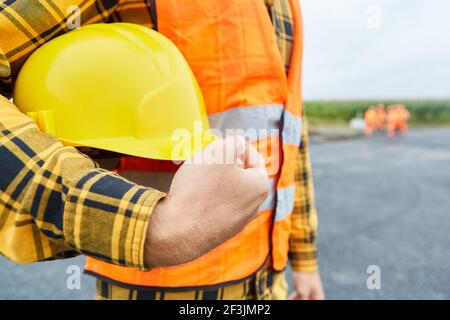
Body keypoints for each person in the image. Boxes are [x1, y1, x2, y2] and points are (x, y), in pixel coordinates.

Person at [0, 0, 323, 300]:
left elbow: (291, 134)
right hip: (163, 283)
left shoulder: (286, 7)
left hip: (268, 273)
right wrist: (146, 227)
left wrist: (305, 258)